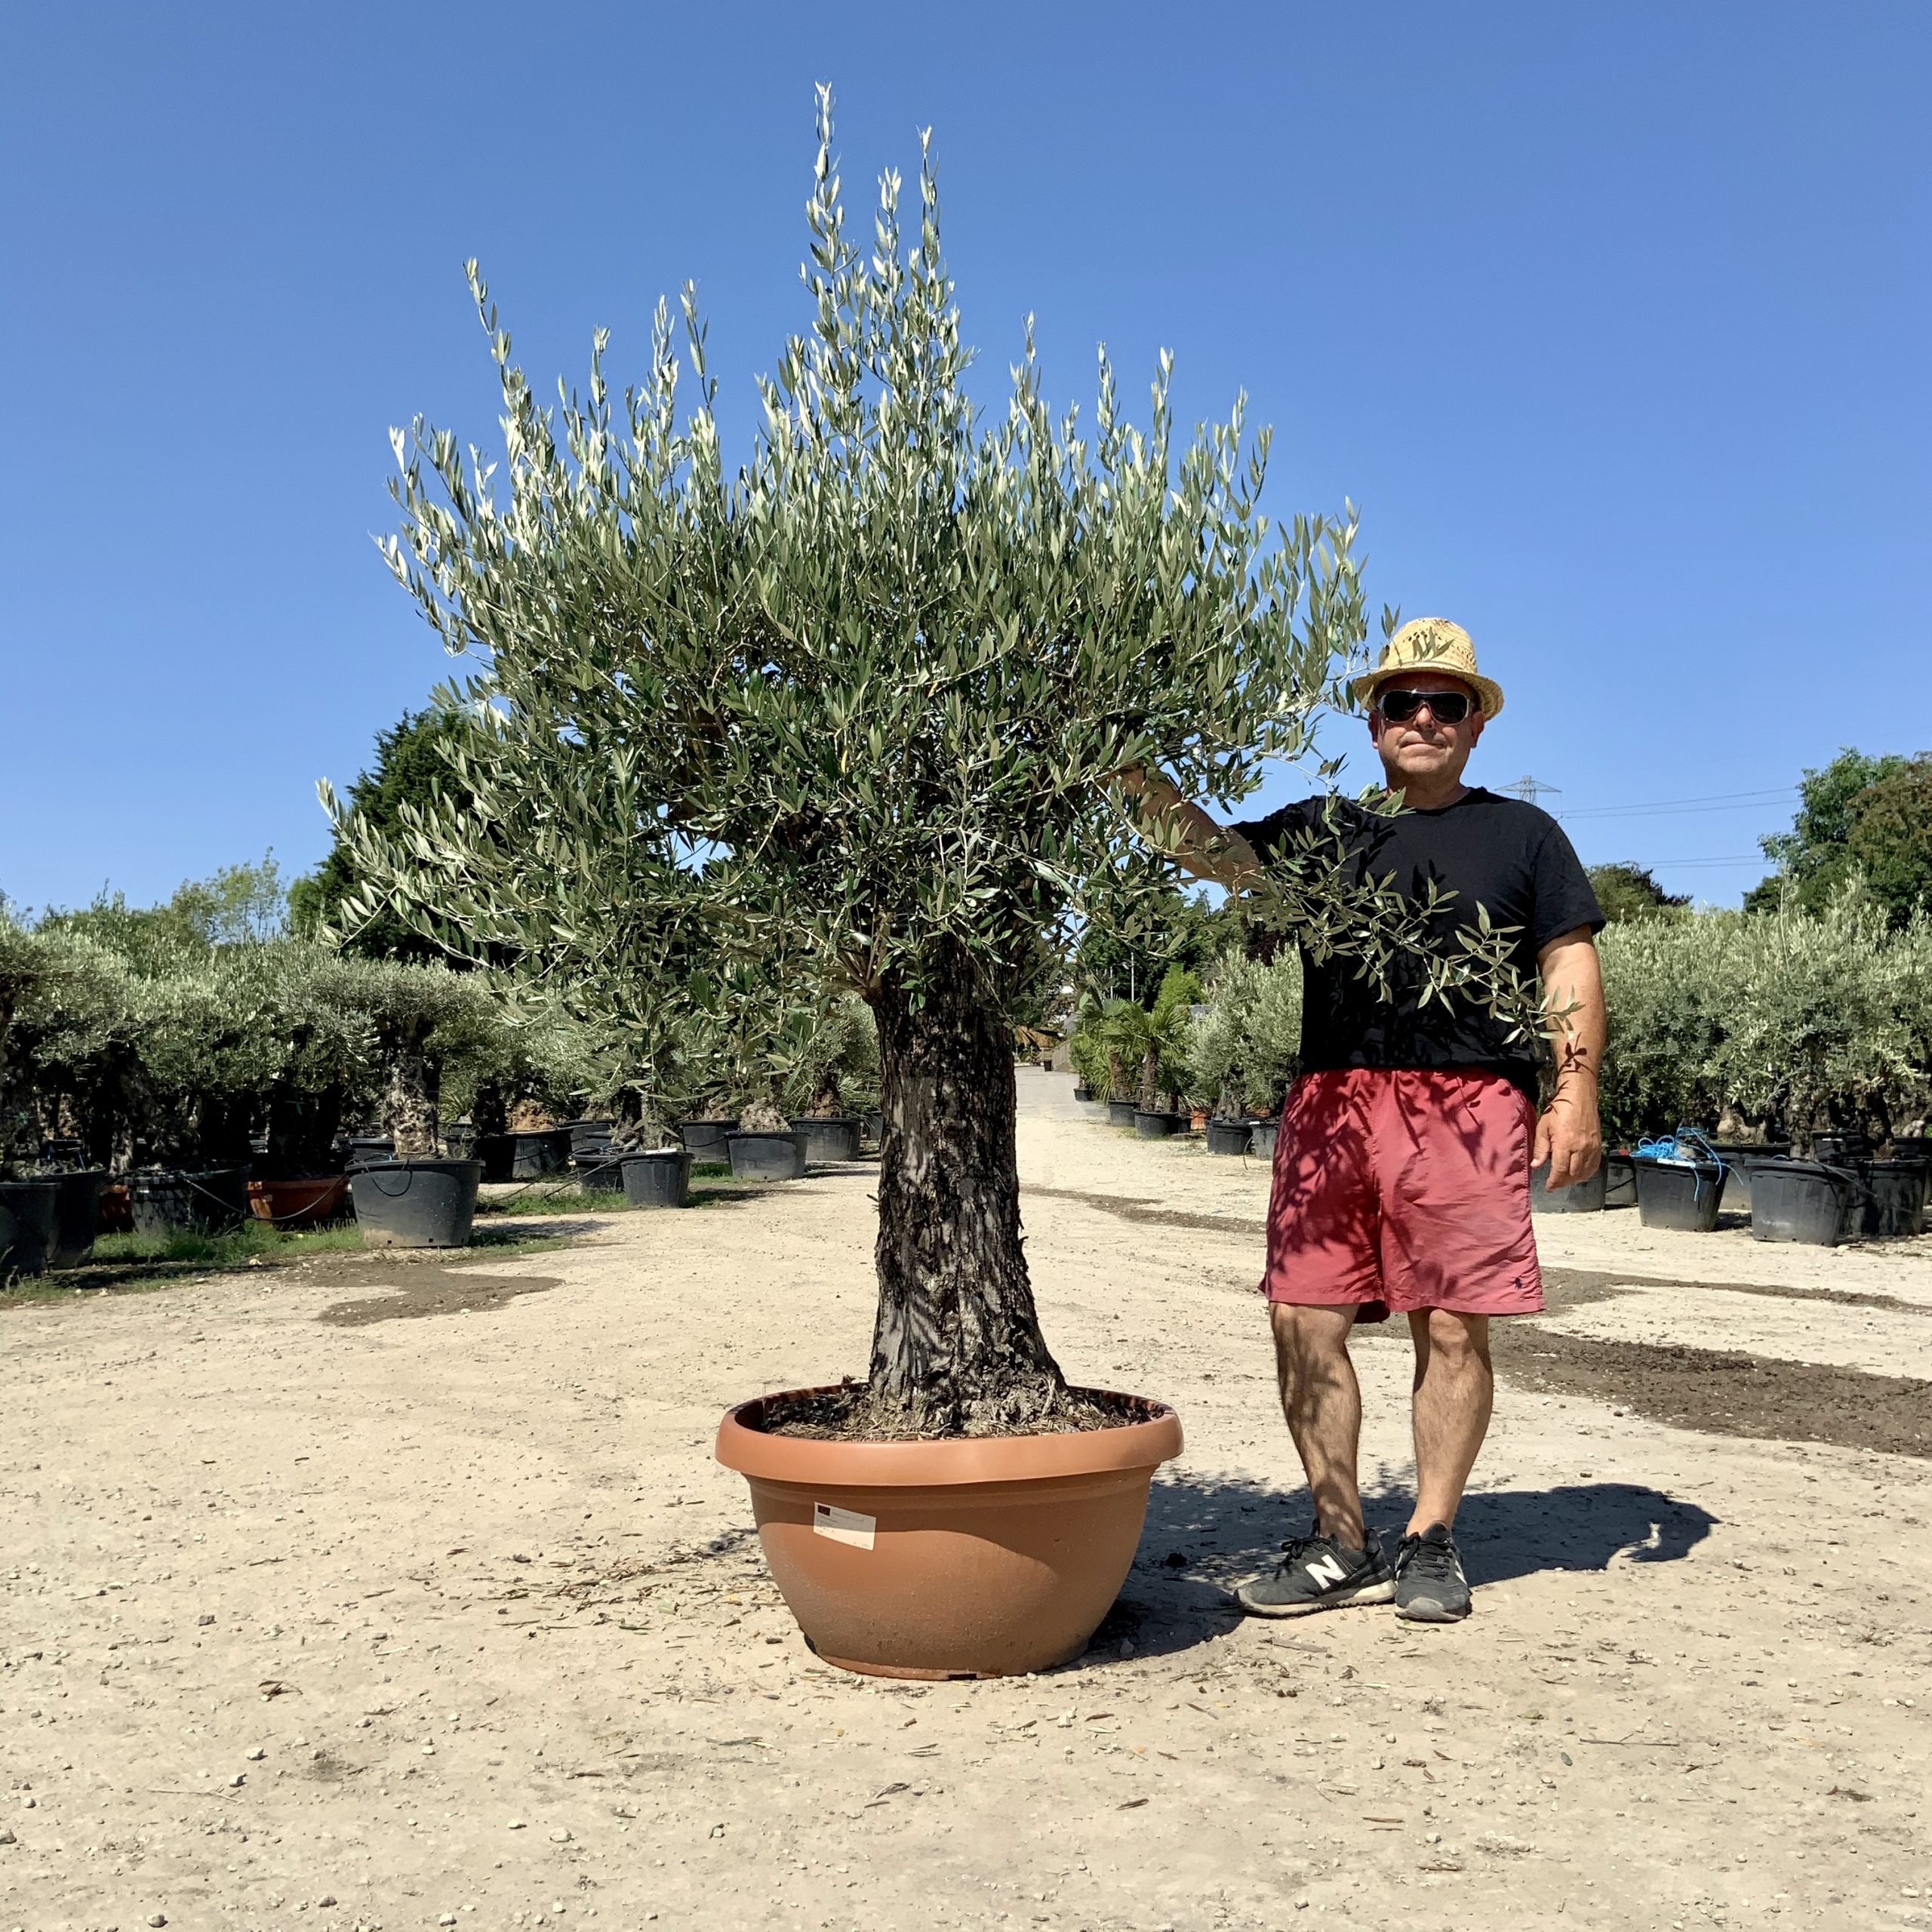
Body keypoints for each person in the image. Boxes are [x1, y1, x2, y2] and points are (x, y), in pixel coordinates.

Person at [1124, 617, 1605, 1623]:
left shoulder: (1525, 836)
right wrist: (1117, 758)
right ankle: (1339, 1536)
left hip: (1469, 1104)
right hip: (1331, 1100)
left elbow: (1567, 965)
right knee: (1302, 1315)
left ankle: (1430, 1537)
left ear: (1477, 726)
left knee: (1452, 1322)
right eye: (1403, 702)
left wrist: (1576, 1092)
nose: (1424, 718)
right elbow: (1210, 853)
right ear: (1372, 721)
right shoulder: (1320, 830)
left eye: (1448, 704)